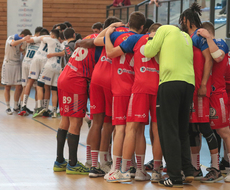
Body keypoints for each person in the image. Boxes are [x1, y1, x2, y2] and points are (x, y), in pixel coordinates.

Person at [104, 23, 162, 183]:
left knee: (131, 128)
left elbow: (109, 52)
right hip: (159, 88)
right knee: (156, 130)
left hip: (140, 87)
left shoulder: (137, 38)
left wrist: (109, 33)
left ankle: (123, 170)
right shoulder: (164, 41)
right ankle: (153, 171)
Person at [93, 12, 146, 181]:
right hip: (137, 87)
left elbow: (96, 41)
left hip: (120, 88)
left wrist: (108, 31)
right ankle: (137, 169)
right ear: (142, 27)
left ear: (128, 23)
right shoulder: (141, 38)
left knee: (120, 128)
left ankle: (117, 169)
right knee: (137, 130)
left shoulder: (116, 35)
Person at [144, 24, 195, 187]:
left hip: (170, 82)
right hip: (189, 83)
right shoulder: (186, 37)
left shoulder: (164, 29)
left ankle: (174, 177)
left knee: (168, 130)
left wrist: (151, 39)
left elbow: (148, 51)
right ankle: (187, 172)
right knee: (182, 130)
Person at [179, 4, 222, 183]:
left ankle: (216, 168)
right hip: (190, 89)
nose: (180, 23)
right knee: (191, 131)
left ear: (187, 20)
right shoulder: (188, 37)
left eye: (182, 20)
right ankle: (195, 168)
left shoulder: (198, 36)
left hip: (200, 90)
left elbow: (209, 60)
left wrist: (204, 84)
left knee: (205, 128)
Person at [197, 21, 230, 182]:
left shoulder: (219, 42)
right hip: (206, 94)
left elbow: (218, 56)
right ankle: (214, 168)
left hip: (218, 95)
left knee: (225, 132)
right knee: (206, 131)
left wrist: (208, 37)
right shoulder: (202, 45)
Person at [53, 33, 98, 175]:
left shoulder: (88, 38)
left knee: (65, 119)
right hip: (75, 81)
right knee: (76, 121)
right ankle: (72, 164)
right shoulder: (100, 43)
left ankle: (59, 161)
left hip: (64, 76)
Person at [33, 29, 64, 118]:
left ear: (53, 36)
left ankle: (39, 107)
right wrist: (55, 54)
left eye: (50, 34)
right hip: (58, 68)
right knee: (54, 90)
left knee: (39, 85)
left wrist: (46, 36)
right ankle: (54, 112)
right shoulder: (61, 44)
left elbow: (41, 38)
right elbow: (63, 53)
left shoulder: (50, 39)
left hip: (49, 65)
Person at [20, 28, 50, 116]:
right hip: (38, 62)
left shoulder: (34, 39)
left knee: (27, 85)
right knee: (40, 85)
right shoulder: (45, 40)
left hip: (27, 62)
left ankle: (23, 105)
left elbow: (22, 48)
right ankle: (39, 107)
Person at [1, 29, 32, 115]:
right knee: (8, 86)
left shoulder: (22, 41)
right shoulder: (11, 38)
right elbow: (13, 43)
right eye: (23, 37)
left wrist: (25, 45)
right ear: (22, 35)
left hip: (18, 64)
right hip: (8, 64)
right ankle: (7, 107)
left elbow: (22, 51)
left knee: (19, 86)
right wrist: (23, 39)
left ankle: (15, 106)